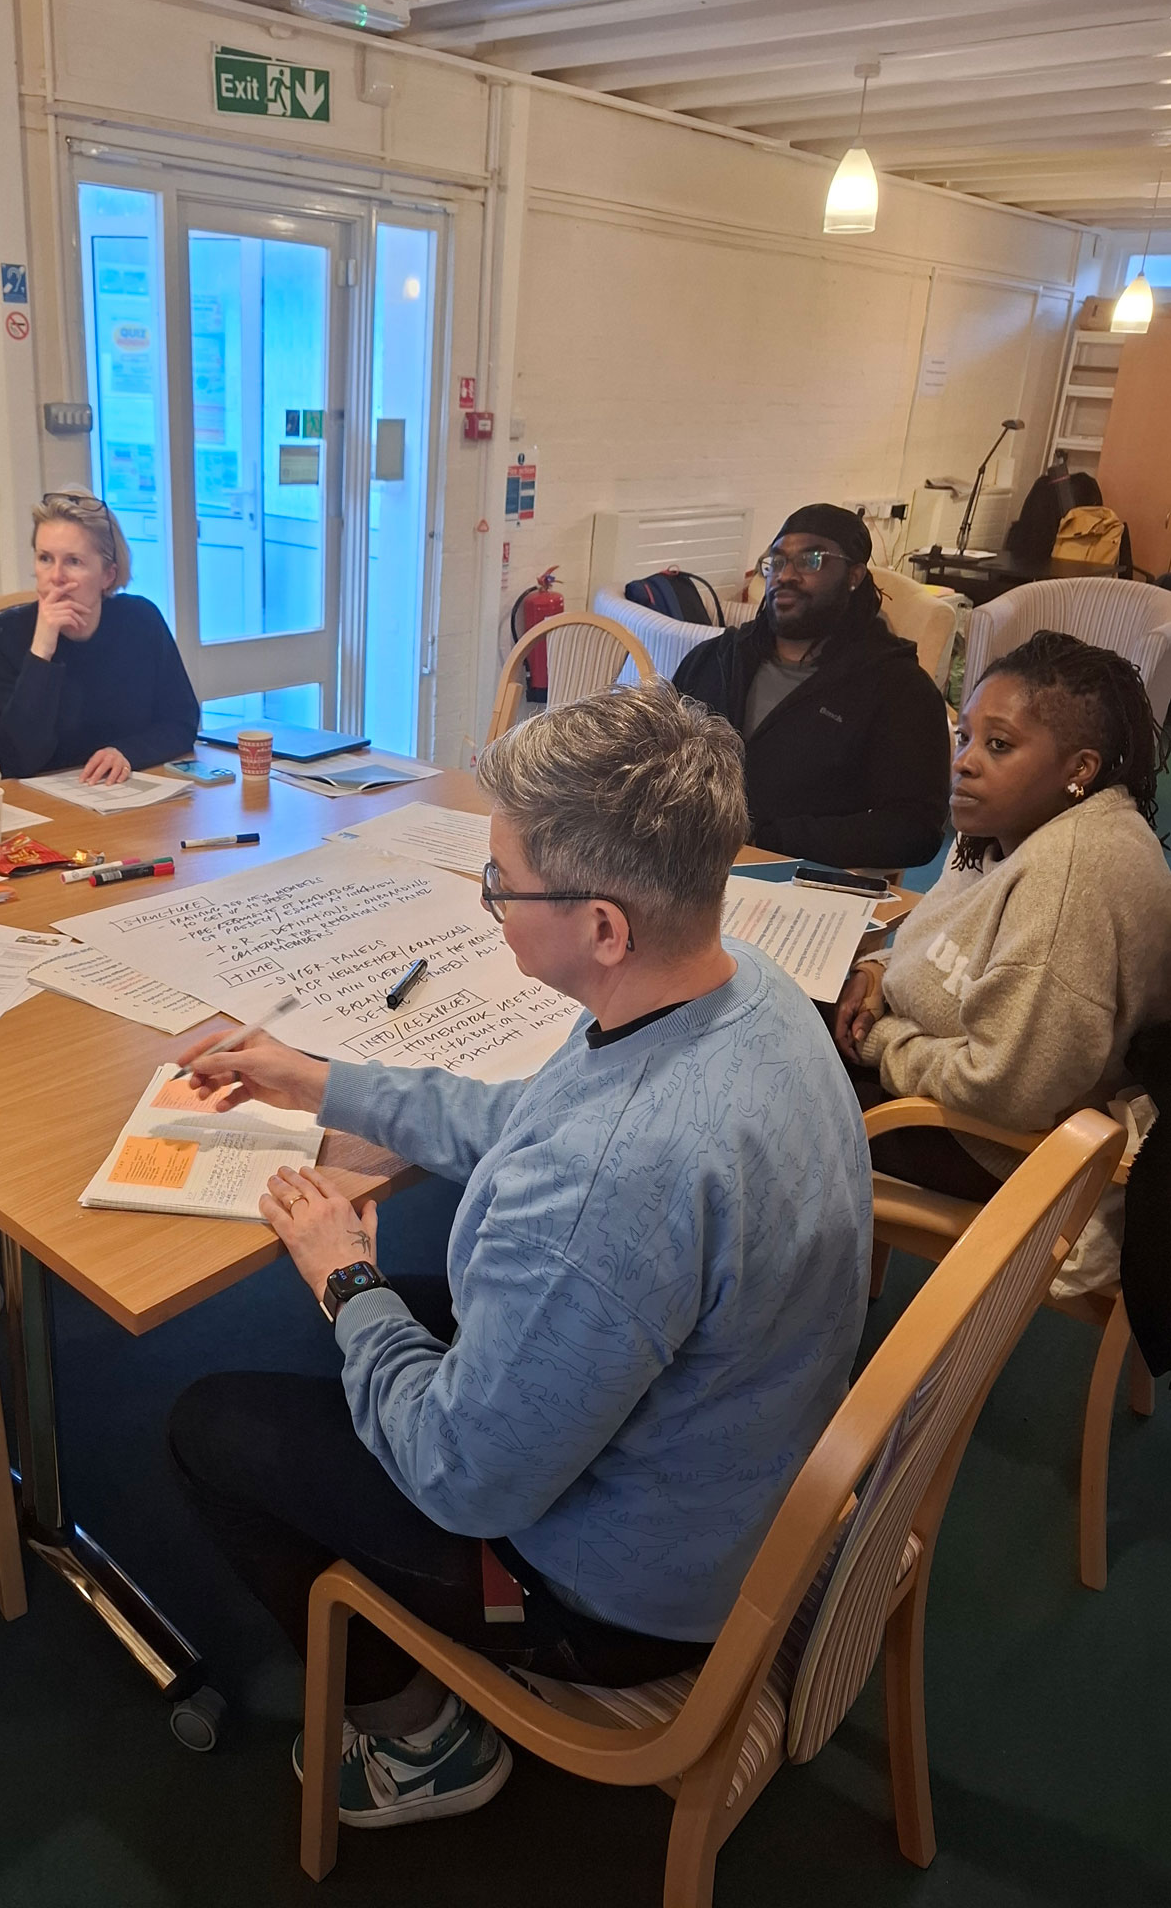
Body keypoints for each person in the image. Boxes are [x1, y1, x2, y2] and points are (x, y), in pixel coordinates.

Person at [167, 680, 871, 1831]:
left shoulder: (611, 1176)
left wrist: (343, 1275)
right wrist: (316, 1075)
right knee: (394, 1312)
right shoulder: (742, 991)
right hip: (739, 1464)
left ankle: (417, 1741)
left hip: (618, 1593)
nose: (490, 903)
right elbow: (523, 1118)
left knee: (213, 1421)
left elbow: (462, 1477)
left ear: (602, 925)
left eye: (502, 884)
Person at [834, 631, 1171, 1285]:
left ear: (1080, 768)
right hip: (960, 1090)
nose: (963, 762)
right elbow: (938, 933)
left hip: (1003, 1150)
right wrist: (877, 971)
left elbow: (1005, 1093)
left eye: (999, 746)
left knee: (750, 1084)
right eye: (965, 737)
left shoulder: (1067, 876)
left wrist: (881, 1040)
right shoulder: (1012, 826)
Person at [673, 503, 950, 871]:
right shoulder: (716, 660)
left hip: (797, 880)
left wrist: (767, 840)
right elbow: (656, 758)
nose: (785, 576)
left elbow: (915, 829)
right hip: (682, 867)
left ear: (853, 575)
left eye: (811, 560)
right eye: (776, 562)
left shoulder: (897, 689)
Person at [0, 490, 199, 783]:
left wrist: (126, 753)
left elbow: (181, 723)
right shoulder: (7, 633)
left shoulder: (141, 621)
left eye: (73, 561)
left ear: (108, 575)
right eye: (45, 558)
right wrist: (42, 651)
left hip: (124, 793)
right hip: (43, 802)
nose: (56, 576)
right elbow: (16, 758)